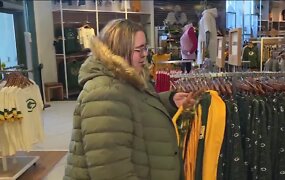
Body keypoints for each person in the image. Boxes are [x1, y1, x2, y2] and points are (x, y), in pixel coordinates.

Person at [63, 19, 196, 180]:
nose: (145, 54)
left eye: (145, 48)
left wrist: (169, 100)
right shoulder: (104, 93)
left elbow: (135, 105)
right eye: (139, 49)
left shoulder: (126, 79)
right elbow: (111, 170)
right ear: (119, 50)